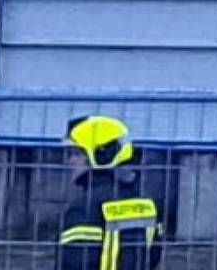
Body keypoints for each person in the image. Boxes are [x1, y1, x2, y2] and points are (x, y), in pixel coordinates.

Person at [58, 115, 162, 270]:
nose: (70, 161)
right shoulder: (147, 205)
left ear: (102, 155)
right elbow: (154, 255)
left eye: (77, 154)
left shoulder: (83, 208)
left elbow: (75, 263)